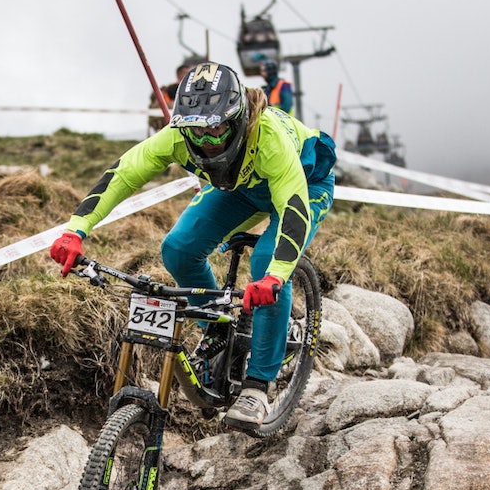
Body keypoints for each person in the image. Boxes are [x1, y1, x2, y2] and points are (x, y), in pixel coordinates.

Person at [50, 60, 336, 430]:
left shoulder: (269, 138)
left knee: (266, 263)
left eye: (216, 128)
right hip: (240, 188)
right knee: (179, 248)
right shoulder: (177, 135)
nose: (206, 139)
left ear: (235, 119)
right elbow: (123, 173)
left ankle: (257, 385)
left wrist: (277, 276)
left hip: (305, 184)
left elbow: (294, 209)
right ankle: (218, 330)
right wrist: (76, 230)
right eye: (195, 130)